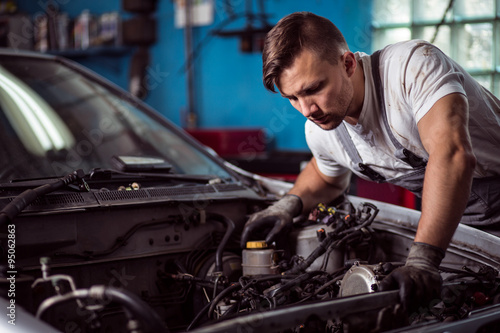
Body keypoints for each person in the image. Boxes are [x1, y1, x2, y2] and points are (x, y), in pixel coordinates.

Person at [240, 11, 500, 312]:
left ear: (348, 63)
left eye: (313, 89)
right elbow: (325, 176)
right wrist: (288, 204)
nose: (306, 109)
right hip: (460, 230)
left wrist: (422, 259)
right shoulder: (321, 128)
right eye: (292, 98)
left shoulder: (412, 68)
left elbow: (452, 155)